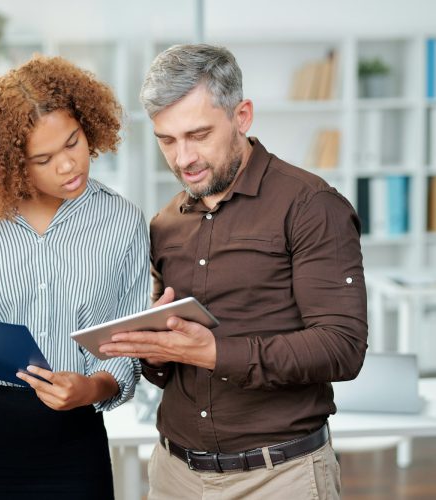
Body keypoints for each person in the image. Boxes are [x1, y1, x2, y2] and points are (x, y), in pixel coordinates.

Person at [99, 44, 368, 499]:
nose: (183, 158)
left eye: (199, 134)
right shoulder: (164, 224)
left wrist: (216, 353)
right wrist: (157, 353)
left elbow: (342, 348)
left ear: (241, 116)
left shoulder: (310, 206)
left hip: (279, 477)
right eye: (167, 140)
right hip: (173, 474)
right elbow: (166, 371)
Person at [0, 55, 148, 500]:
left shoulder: (123, 221)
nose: (67, 166)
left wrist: (94, 386)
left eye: (73, 143)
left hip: (73, 439)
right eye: (43, 158)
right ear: (12, 162)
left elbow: (128, 347)